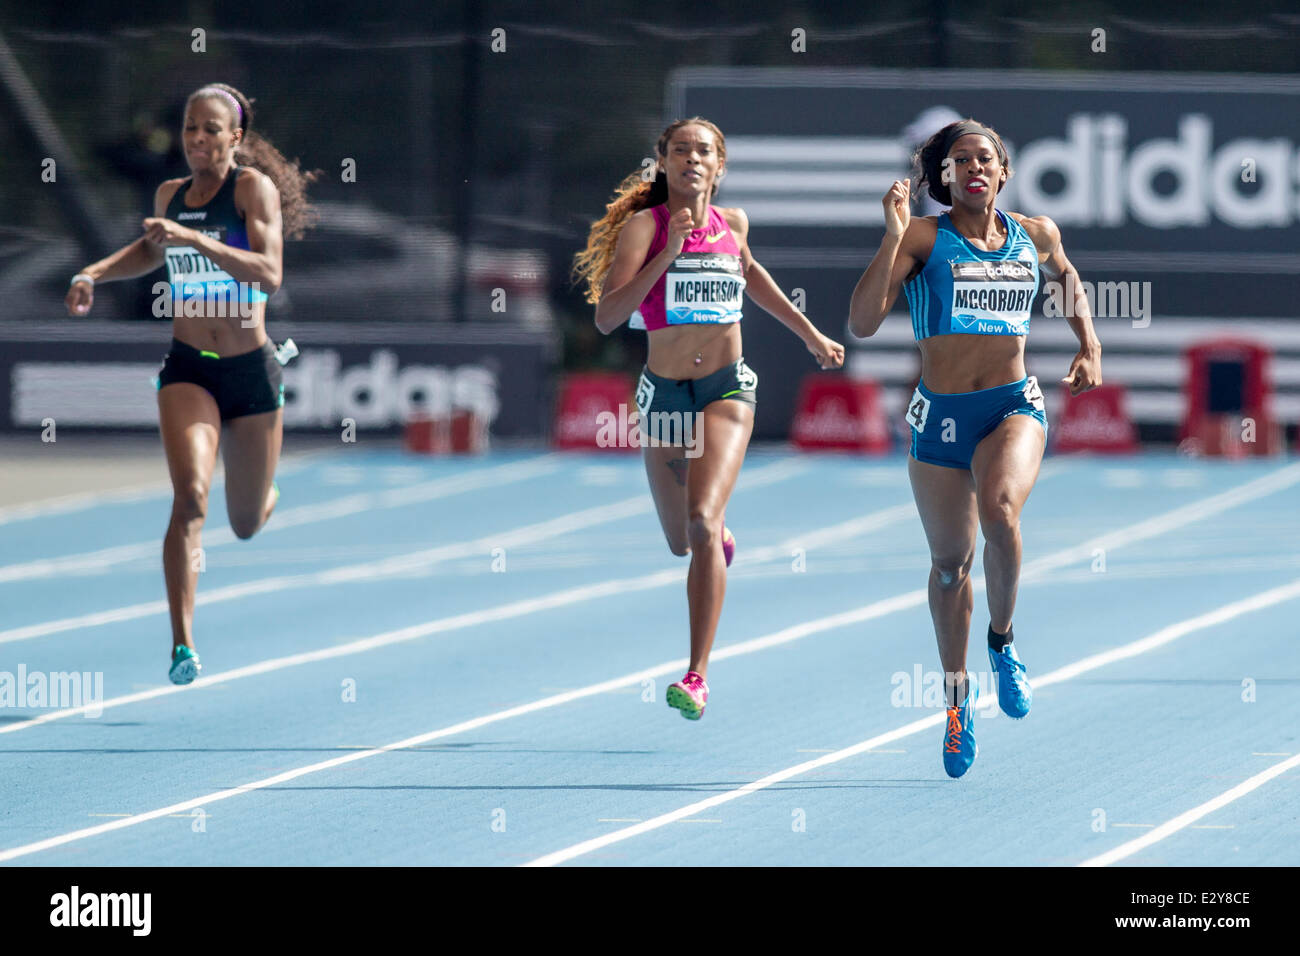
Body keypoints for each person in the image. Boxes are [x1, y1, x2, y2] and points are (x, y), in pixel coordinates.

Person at [848, 119, 1102, 776]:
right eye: (959, 161)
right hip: (941, 419)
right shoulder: (925, 238)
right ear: (945, 177)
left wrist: (1089, 344)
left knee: (1002, 512)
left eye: (984, 158)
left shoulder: (1033, 234)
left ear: (1004, 170)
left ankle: (1004, 640)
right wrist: (891, 234)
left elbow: (1068, 277)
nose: (973, 168)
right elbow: (863, 321)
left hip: (1012, 405)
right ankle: (957, 703)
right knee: (951, 567)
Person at [573, 117, 845, 719]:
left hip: (726, 387)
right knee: (681, 542)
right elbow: (608, 317)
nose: (691, 159)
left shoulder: (734, 224)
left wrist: (811, 335)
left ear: (719, 168)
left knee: (699, 522)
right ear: (663, 162)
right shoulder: (647, 228)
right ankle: (714, 535)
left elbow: (753, 277)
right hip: (666, 393)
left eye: (703, 152)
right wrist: (665, 257)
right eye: (680, 151)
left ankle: (696, 675)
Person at [65, 83, 318, 685]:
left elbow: (270, 273)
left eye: (210, 129)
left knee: (246, 522)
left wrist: (198, 239)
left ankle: (264, 496)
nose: (197, 139)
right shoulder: (169, 195)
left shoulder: (251, 191)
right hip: (190, 367)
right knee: (192, 498)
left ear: (235, 137)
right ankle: (182, 644)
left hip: (251, 370)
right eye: (189, 128)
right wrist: (92, 273)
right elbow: (149, 252)